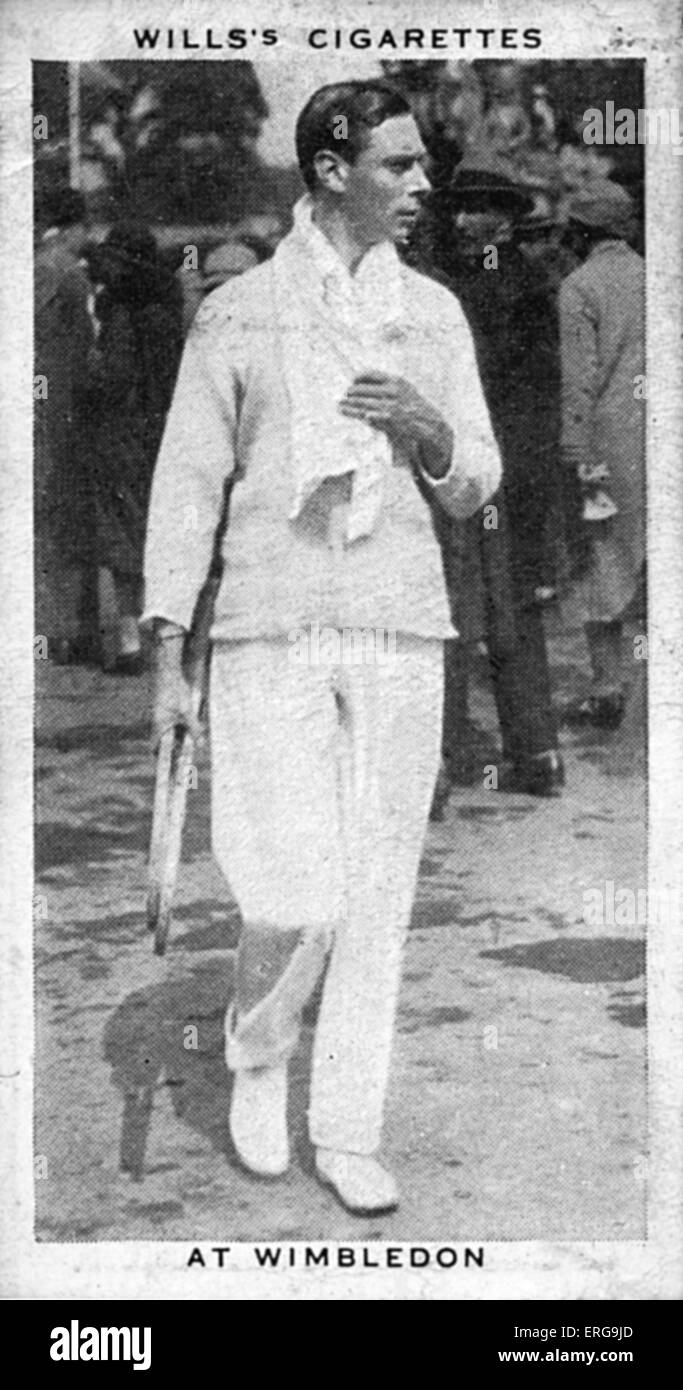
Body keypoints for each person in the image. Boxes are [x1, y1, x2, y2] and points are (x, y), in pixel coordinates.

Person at [142, 81, 501, 1215]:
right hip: (268, 623)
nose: (420, 184)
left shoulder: (433, 314)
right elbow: (187, 482)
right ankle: (257, 1056)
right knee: (292, 878)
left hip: (398, 617)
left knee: (379, 884)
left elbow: (478, 480)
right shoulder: (239, 310)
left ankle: (345, 1126)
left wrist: (428, 431)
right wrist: (166, 654)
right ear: (332, 170)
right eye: (397, 164)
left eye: (418, 164)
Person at [426, 166, 566, 803]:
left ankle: (448, 751)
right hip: (524, 472)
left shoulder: (467, 287)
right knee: (516, 612)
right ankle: (538, 752)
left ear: (502, 220)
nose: (460, 222)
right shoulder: (534, 282)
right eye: (457, 211)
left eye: (474, 211)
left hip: (479, 471)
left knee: (455, 606)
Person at [558, 184, 645, 729]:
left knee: (601, 556)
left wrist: (573, 452)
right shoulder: (658, 275)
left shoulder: (578, 286)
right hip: (660, 436)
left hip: (603, 445)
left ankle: (609, 687)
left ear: (582, 232)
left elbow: (579, 381)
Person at [89, 223, 184, 673]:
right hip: (166, 428)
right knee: (160, 531)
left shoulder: (120, 310)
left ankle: (129, 640)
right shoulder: (171, 304)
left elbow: (114, 377)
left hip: (125, 431)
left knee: (123, 533)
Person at [34, 186, 95, 662]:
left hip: (40, 400)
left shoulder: (34, 264)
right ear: (72, 226)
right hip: (62, 404)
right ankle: (63, 630)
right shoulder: (67, 272)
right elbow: (79, 347)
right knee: (62, 521)